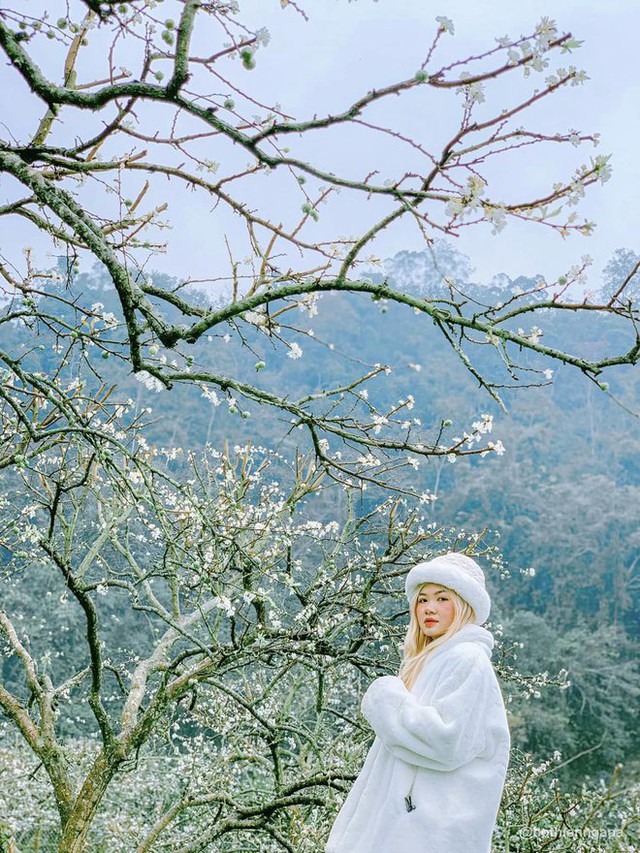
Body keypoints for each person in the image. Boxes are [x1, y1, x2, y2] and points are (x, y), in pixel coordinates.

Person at [325, 552, 511, 853]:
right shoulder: (433, 660)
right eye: (422, 600)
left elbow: (447, 740)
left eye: (442, 598)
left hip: (427, 827)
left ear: (464, 606)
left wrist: (386, 700)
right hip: (411, 824)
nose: (429, 608)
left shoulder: (467, 659)